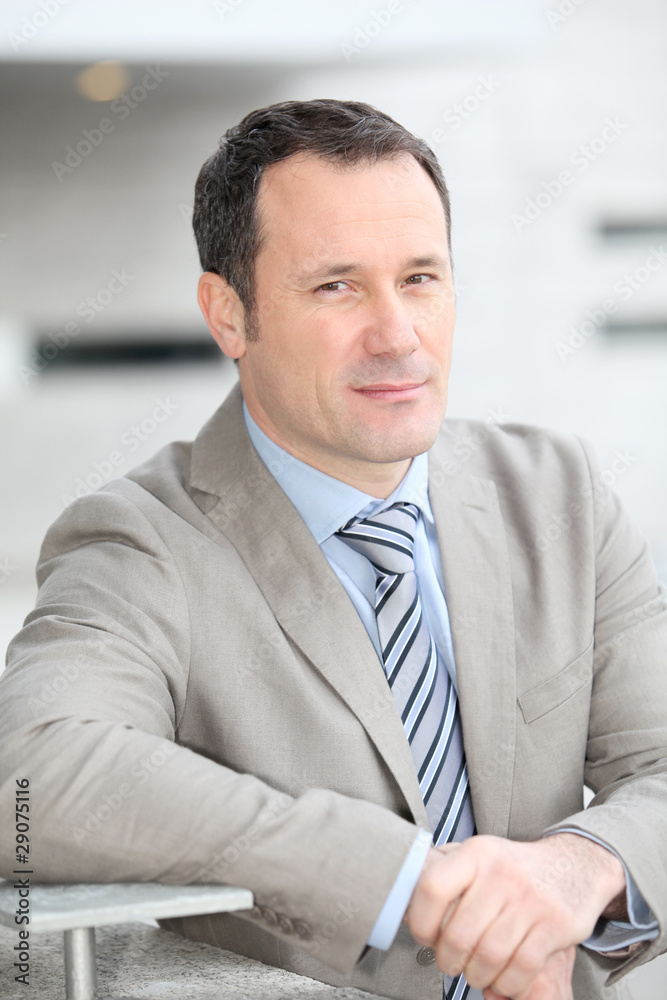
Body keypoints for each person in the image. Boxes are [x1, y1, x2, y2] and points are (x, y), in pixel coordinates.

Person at [0, 99, 665, 1000]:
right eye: (336, 286)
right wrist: (400, 882)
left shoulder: (559, 496)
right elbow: (28, 779)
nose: (398, 335)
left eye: (421, 278)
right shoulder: (141, 543)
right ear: (228, 314)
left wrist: (579, 868)